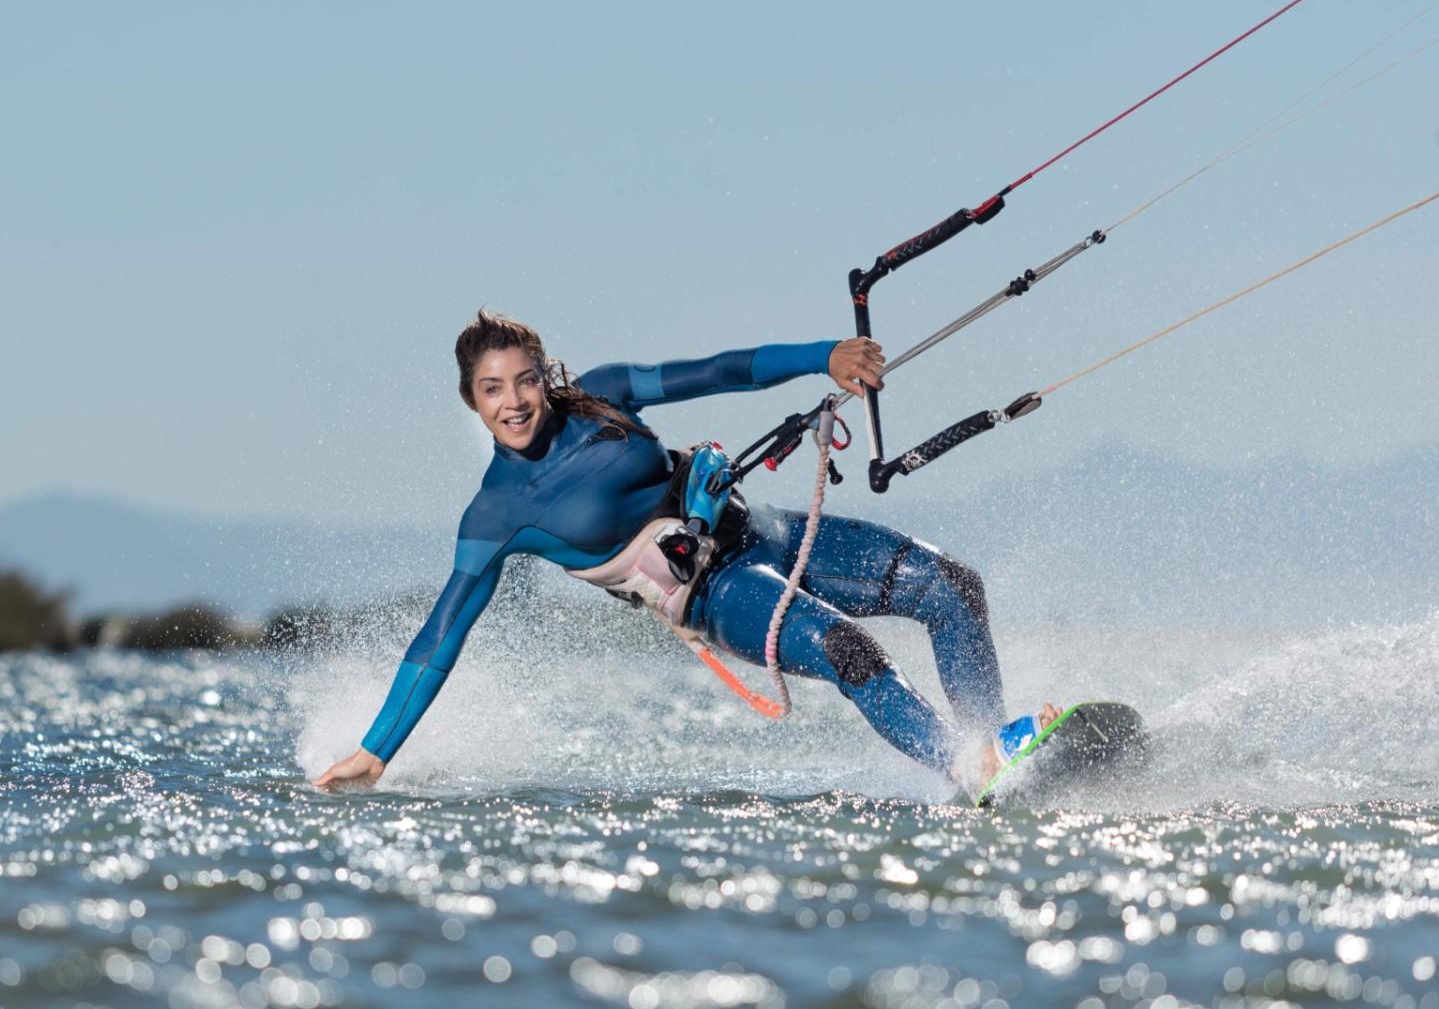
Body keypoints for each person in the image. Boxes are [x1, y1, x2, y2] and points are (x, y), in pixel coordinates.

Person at [313, 309, 1055, 796]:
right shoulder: (497, 514)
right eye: (492, 389)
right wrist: (376, 752)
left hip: (763, 530)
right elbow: (440, 635)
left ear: (546, 376)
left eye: (525, 380)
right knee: (849, 649)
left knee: (951, 584)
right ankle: (963, 765)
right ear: (471, 401)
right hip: (717, 596)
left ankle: (992, 751)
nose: (514, 402)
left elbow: (717, 370)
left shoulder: (602, 397)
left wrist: (821, 356)